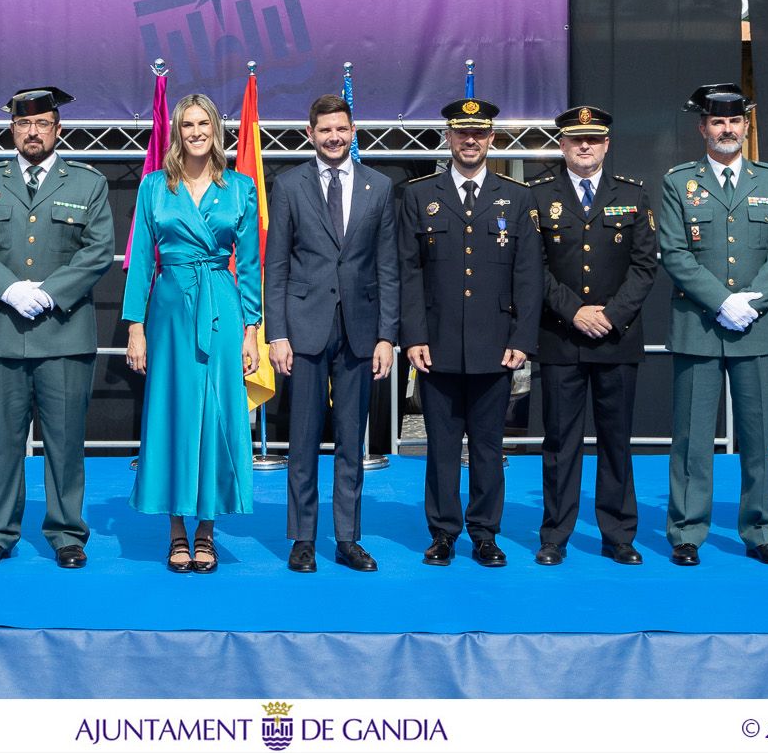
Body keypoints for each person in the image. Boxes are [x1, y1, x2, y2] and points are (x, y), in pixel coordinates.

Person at [0, 86, 114, 569]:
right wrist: (8, 289)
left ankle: (67, 533)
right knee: (2, 441)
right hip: (2, 330)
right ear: (13, 130)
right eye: (24, 125)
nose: (33, 132)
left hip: (63, 333)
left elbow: (98, 250)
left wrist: (49, 292)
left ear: (57, 129)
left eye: (42, 124)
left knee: (65, 443)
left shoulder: (87, 183)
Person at [656, 83, 768, 566]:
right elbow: (673, 252)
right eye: (717, 122)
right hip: (700, 323)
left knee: (758, 438)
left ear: (746, 126)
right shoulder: (679, 182)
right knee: (693, 437)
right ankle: (687, 531)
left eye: (735, 121)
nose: (727, 129)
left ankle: (761, 531)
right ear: (703, 128)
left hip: (756, 325)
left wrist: (750, 303)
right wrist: (721, 301)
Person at [397, 98, 542, 567]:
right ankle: (442, 533)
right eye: (462, 133)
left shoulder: (516, 198)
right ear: (449, 138)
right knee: (439, 448)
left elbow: (528, 275)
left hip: (494, 345)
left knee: (487, 447)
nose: (471, 141)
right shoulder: (419, 195)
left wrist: (521, 340)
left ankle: (484, 533)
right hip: (435, 345)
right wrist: (413, 335)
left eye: (479, 133)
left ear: (492, 139)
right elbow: (409, 272)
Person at [122, 93, 262, 574]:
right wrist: (135, 327)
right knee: (173, 414)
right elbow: (141, 258)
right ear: (177, 131)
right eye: (188, 124)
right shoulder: (154, 188)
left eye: (204, 124)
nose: (197, 132)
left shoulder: (240, 187)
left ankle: (207, 531)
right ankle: (176, 531)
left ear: (216, 131)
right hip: (170, 310)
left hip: (221, 309)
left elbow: (249, 265)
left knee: (217, 415)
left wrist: (251, 330)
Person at [265, 94, 400, 573]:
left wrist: (387, 336)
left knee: (351, 442)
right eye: (325, 130)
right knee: (301, 441)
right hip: (303, 330)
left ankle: (347, 539)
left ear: (352, 130)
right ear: (311, 134)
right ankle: (303, 538)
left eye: (341, 129)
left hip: (360, 332)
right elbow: (276, 264)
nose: (334, 137)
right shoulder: (288, 185)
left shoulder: (379, 187)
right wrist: (275, 333)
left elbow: (388, 267)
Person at [528, 105, 657, 566]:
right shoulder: (538, 196)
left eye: (594, 139)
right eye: (576, 139)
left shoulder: (634, 196)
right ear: (561, 144)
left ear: (607, 144)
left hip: (615, 338)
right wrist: (574, 311)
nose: (585, 146)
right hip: (561, 337)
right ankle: (555, 534)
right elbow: (533, 268)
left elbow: (645, 267)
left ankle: (618, 533)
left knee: (616, 440)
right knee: (560, 443)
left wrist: (611, 315)